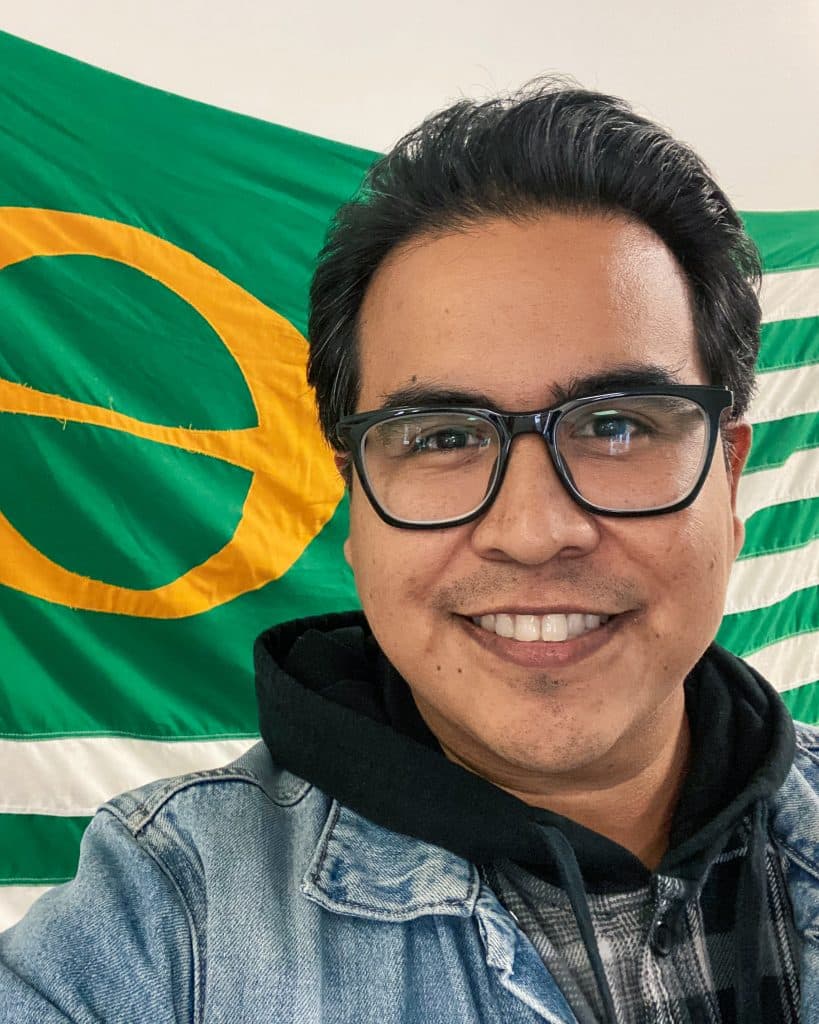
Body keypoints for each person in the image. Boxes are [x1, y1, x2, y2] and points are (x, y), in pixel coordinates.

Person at [0, 80, 815, 1024]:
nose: (533, 531)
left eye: (617, 426)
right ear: (355, 507)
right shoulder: (162, 924)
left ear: (728, 481)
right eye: (441, 438)